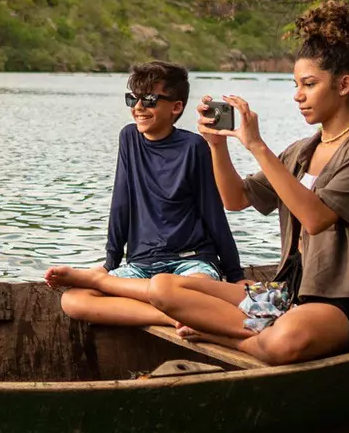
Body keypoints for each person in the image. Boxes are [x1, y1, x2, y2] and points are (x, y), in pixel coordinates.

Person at [62, 1, 349, 365]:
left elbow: (316, 218)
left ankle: (221, 332)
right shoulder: (301, 152)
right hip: (285, 294)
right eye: (296, 84)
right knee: (165, 287)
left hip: (338, 304)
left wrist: (256, 145)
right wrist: (217, 146)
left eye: (309, 85)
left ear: (344, 85)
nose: (298, 95)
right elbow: (235, 199)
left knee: (283, 343)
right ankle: (249, 325)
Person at [42, 61, 244, 325]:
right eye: (133, 99)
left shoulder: (194, 147)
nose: (138, 107)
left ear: (176, 107)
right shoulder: (129, 138)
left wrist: (235, 274)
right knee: (74, 300)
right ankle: (172, 317)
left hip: (192, 262)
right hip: (142, 264)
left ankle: (177, 306)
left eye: (149, 100)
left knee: (187, 290)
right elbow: (121, 202)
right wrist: (110, 262)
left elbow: (212, 212)